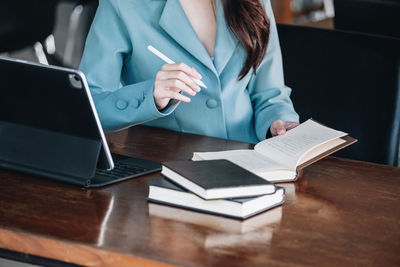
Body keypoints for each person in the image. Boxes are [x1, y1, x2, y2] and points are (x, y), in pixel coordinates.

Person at [79, 0, 299, 144]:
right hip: (166, 172)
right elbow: (88, 105)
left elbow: (271, 95)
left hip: (250, 166)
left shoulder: (256, 2)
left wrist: (277, 123)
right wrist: (151, 96)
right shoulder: (122, 5)